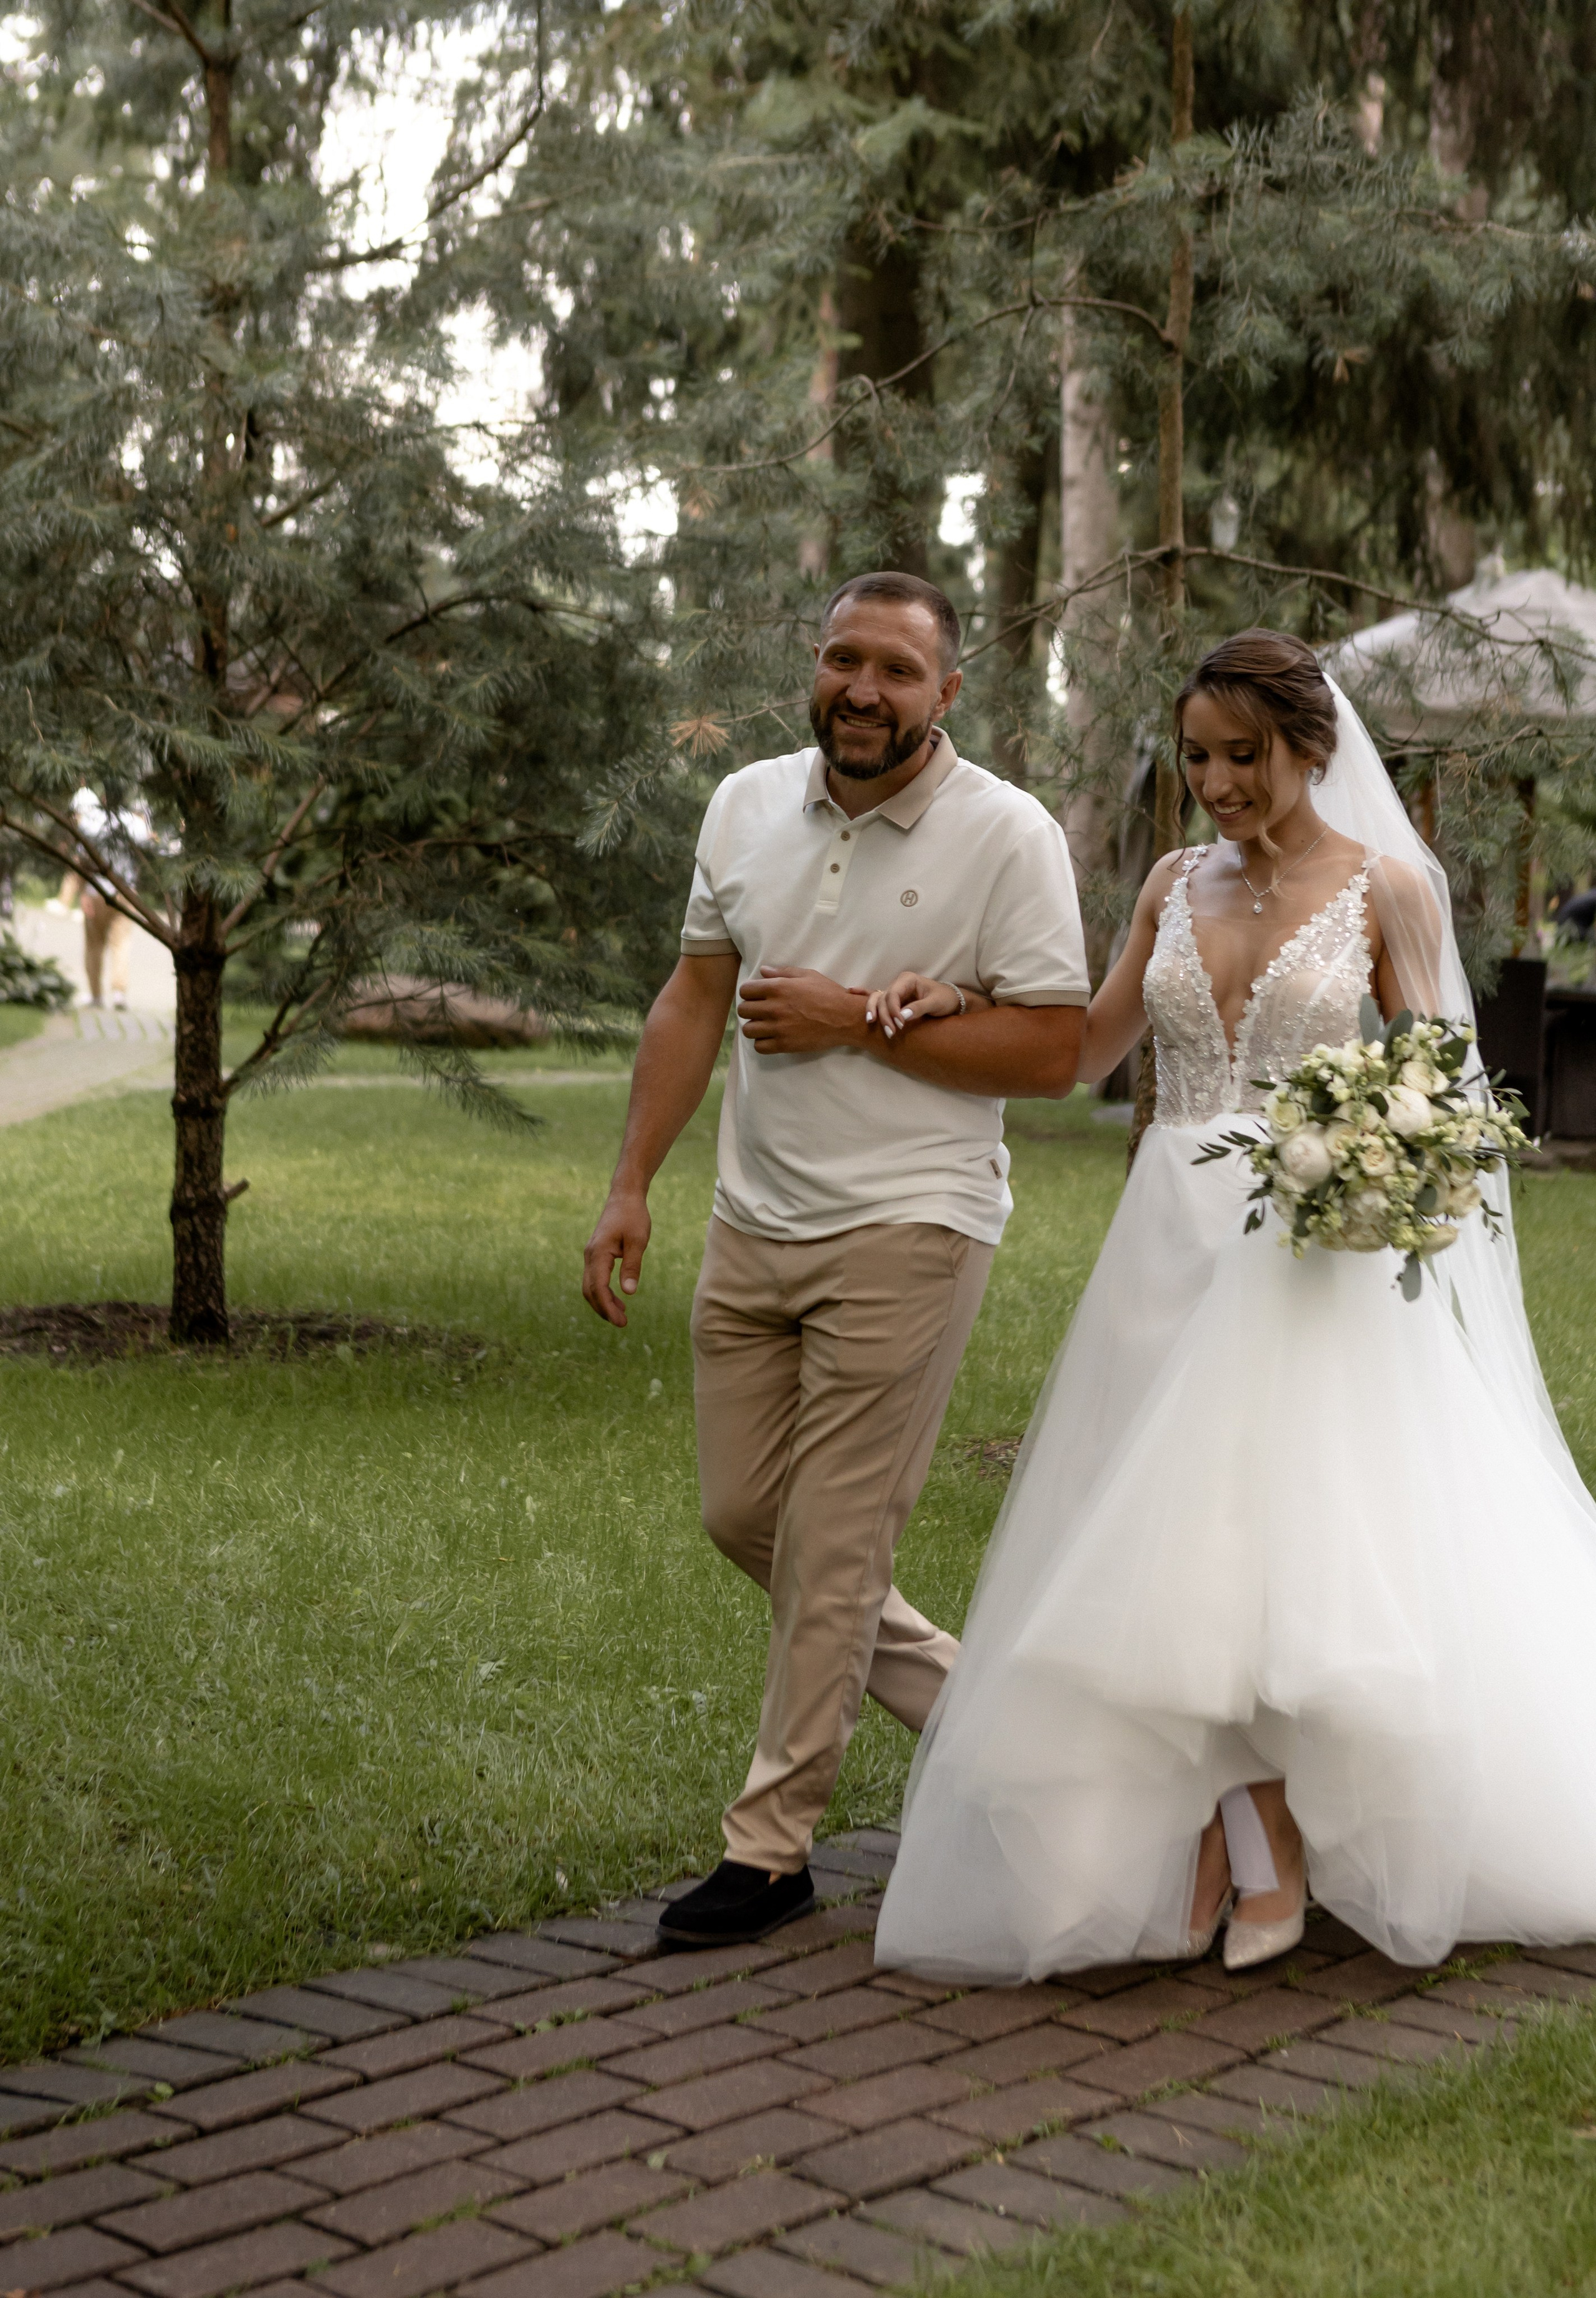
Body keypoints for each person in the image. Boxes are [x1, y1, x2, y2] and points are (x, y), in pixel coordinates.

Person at [872, 628, 1596, 1981]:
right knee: (1166, 1549)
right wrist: (952, 998)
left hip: (1306, 1262)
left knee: (1284, 1553)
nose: (1215, 783)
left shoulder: (1387, 891)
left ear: (1308, 749)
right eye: (1197, 757)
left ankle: (1268, 1841)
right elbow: (1089, 1047)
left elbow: (1445, 1103)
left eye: (1241, 756)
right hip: (1164, 1242)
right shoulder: (1166, 882)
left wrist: (1368, 1160)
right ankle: (1229, 1831)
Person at [582, 571, 1090, 1946]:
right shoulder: (744, 801)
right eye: (839, 659)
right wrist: (632, 1184)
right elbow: (695, 996)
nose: (861, 690)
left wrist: (858, 1025)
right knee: (748, 1518)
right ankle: (1007, 1732)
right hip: (755, 1221)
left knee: (831, 1537)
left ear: (947, 692)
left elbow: (1052, 1052)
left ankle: (771, 1850)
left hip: (911, 1224)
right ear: (813, 666)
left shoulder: (1008, 833)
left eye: (896, 671)